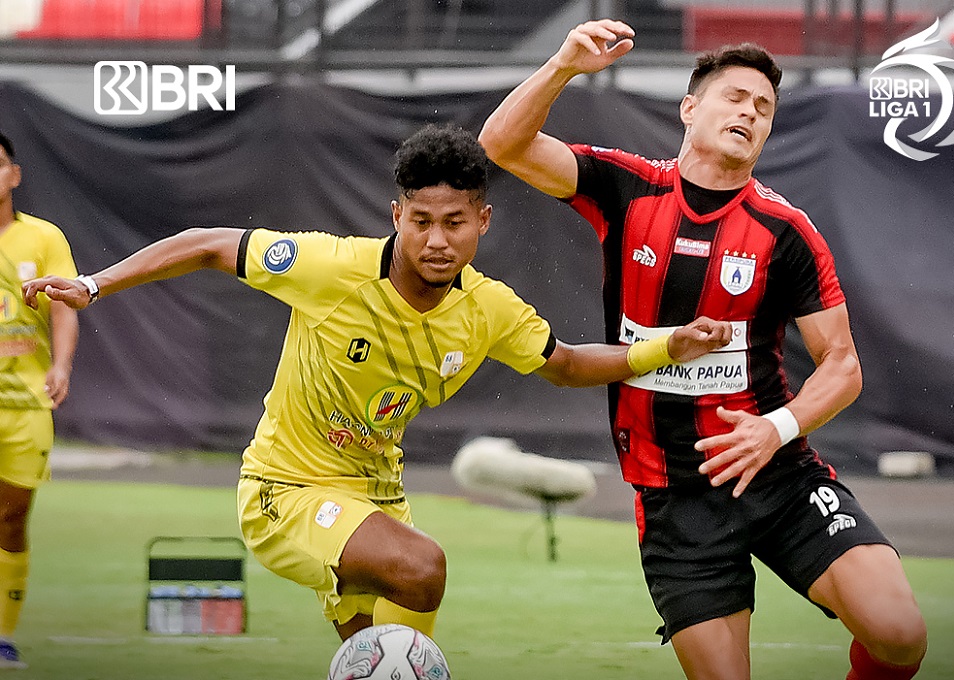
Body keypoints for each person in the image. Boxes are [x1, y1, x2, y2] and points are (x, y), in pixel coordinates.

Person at [23, 124, 732, 646]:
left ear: (482, 222)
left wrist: (666, 346)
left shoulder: (488, 309)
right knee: (422, 568)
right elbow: (208, 244)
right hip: (285, 491)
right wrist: (94, 285)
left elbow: (567, 363)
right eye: (420, 221)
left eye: (454, 223)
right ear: (397, 216)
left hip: (377, 499)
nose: (436, 241)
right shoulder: (331, 267)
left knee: (374, 653)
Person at [478, 20, 928, 680]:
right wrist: (563, 65)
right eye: (735, 97)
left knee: (899, 635)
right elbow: (502, 144)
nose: (749, 112)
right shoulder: (628, 188)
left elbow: (843, 365)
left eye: (764, 107)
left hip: (777, 475)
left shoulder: (786, 232)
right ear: (690, 108)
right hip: (675, 497)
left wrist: (776, 429)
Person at [0, 131, 80, 669]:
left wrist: (61, 365)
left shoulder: (43, 237)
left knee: (11, 517)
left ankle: (2, 636)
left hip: (25, 405)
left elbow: (63, 305)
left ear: (15, 174)